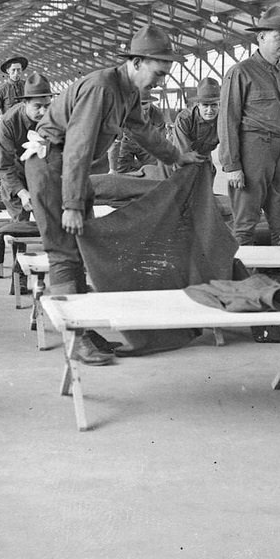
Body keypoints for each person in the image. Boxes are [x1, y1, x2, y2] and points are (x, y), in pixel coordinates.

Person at [25, 25, 204, 366]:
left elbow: (143, 131)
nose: (160, 81)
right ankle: (74, 339)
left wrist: (175, 157)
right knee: (64, 249)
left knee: (80, 244)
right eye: (157, 73)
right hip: (50, 164)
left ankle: (81, 326)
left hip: (70, 166)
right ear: (136, 62)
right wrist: (72, 204)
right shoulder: (101, 88)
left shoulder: (129, 92)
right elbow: (77, 146)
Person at [219, 5, 280, 244]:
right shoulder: (241, 72)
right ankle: (242, 276)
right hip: (254, 149)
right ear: (261, 37)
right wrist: (231, 165)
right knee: (245, 220)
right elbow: (227, 119)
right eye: (279, 36)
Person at [0, 71, 53, 220]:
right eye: (37, 106)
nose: (43, 111)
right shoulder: (8, 123)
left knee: (51, 221)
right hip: (16, 173)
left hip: (43, 173)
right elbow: (4, 166)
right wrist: (22, 192)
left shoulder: (54, 118)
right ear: (25, 103)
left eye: (47, 106)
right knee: (21, 222)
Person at [109, 95, 168, 175]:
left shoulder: (157, 114)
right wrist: (112, 168)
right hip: (126, 141)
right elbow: (115, 142)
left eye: (146, 109)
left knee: (154, 170)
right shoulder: (121, 114)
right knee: (119, 171)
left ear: (150, 103)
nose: (143, 113)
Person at [170, 77, 221, 165]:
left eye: (214, 105)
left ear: (219, 104)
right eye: (205, 105)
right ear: (198, 105)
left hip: (204, 158)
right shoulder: (184, 120)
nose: (210, 110)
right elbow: (183, 156)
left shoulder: (223, 120)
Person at [0, 55, 28, 124]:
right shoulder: (1, 90)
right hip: (9, 126)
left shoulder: (28, 86)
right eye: (13, 70)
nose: (16, 73)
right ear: (8, 71)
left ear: (21, 70)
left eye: (18, 70)